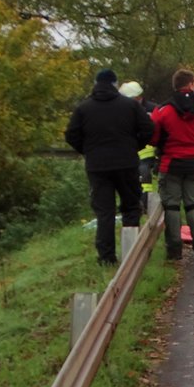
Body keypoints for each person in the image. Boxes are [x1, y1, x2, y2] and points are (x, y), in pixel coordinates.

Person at [65, 68, 154, 265]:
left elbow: (71, 135)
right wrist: (134, 146)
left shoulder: (84, 108)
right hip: (126, 163)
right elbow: (148, 128)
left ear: (96, 84)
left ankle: (106, 258)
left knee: (104, 211)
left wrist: (88, 150)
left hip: (97, 167)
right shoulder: (130, 106)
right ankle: (132, 254)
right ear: (115, 84)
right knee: (131, 207)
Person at [151, 69, 194, 261]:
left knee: (172, 206)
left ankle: (174, 249)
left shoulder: (163, 110)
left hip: (171, 163)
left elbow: (154, 137)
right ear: (191, 84)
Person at [120, 81, 159, 211]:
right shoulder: (126, 110)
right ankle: (135, 204)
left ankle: (145, 204)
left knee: (145, 176)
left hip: (149, 151)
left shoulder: (153, 109)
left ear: (137, 97)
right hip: (132, 152)